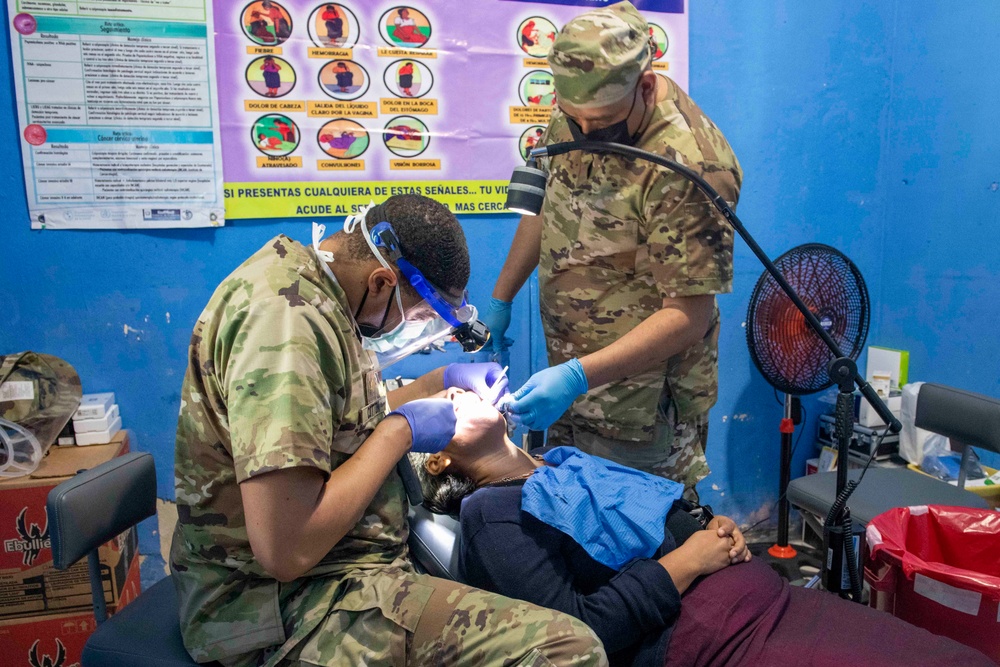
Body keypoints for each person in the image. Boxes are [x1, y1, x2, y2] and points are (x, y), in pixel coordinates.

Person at [170, 195, 607, 667]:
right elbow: (286, 550)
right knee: (568, 651)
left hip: (346, 560)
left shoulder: (316, 290)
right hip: (276, 604)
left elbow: (342, 418)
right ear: (382, 282)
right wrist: (400, 430)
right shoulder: (286, 326)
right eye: (419, 316)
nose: (416, 329)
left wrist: (437, 383)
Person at [417, 389, 996, 667]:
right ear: (439, 458)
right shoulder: (490, 513)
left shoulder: (560, 461)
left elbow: (653, 516)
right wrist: (689, 561)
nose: (463, 389)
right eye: (447, 399)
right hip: (721, 644)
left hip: (776, 605)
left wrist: (712, 527)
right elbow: (572, 633)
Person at [486, 1, 742, 500]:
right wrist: (502, 299)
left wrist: (579, 375)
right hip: (569, 380)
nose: (585, 135)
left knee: (641, 545)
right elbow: (546, 205)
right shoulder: (584, 105)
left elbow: (689, 314)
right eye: (572, 119)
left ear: (645, 86)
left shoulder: (690, 166)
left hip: (640, 403)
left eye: (600, 125)